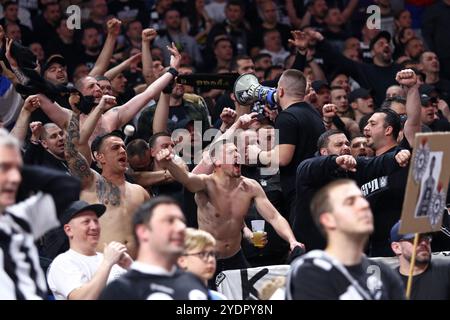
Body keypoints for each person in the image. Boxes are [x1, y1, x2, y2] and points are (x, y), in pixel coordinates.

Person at [156, 139, 303, 277]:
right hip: (207, 257)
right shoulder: (206, 184)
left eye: (238, 152)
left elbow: (274, 217)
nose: (238, 155)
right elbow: (187, 179)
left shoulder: (250, 186)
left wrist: (292, 241)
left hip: (235, 256)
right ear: (217, 161)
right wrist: (169, 164)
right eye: (232, 152)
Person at [286, 179, 405, 300]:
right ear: (328, 219)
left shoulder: (384, 273)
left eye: (362, 199)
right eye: (350, 202)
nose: (364, 205)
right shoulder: (310, 270)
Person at [0, 129, 80, 299]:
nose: (15, 178)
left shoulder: (20, 219)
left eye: (18, 170)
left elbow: (68, 187)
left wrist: (17, 172)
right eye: (5, 168)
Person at [64, 109, 150, 258]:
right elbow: (71, 153)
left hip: (136, 268)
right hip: (102, 266)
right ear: (99, 157)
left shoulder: (140, 191)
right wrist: (76, 114)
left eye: (123, 147)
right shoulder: (91, 183)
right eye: (115, 148)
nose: (122, 151)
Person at [99, 196, 209, 300]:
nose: (181, 227)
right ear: (143, 231)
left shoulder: (194, 285)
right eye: (170, 221)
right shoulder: (120, 290)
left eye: (182, 221)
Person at [254, 69, 325, 223]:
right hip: (317, 189)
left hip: (299, 192)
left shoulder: (286, 117)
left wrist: (257, 154)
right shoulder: (314, 113)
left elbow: (282, 158)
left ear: (280, 91)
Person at [46, 200, 132, 300]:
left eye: (96, 221)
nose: (94, 227)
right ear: (69, 230)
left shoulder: (113, 259)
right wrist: (107, 263)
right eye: (86, 222)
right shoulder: (62, 263)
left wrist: (131, 266)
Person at [390, 221, 450, 299]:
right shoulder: (388, 283)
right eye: (415, 238)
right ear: (397, 248)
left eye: (426, 237)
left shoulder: (446, 271)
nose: (424, 242)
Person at [178, 228, 227, 299]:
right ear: (182, 261)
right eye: (202, 254)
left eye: (212, 254)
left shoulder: (219, 298)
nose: (210, 259)